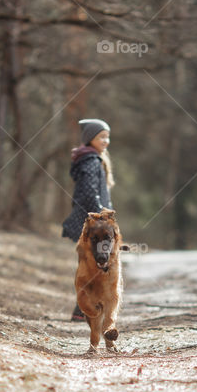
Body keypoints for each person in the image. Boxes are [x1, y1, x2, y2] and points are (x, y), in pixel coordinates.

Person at [62, 118, 115, 321]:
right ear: (90, 139)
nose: (106, 141)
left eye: (107, 137)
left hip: (94, 223)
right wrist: (100, 213)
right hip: (92, 225)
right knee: (94, 265)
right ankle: (83, 310)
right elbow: (88, 192)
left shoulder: (92, 159)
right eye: (102, 137)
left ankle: (82, 310)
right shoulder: (91, 162)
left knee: (92, 265)